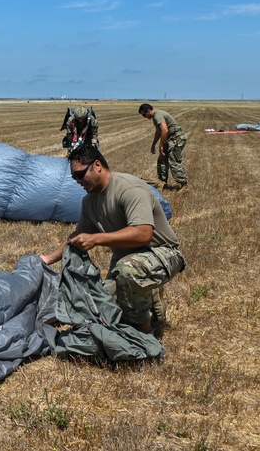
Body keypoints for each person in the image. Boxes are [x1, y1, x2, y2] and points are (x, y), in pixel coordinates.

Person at [40, 145, 185, 336]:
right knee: (99, 304)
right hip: (127, 262)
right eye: (74, 177)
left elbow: (143, 234)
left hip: (162, 253)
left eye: (80, 174)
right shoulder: (89, 202)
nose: (78, 181)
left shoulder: (129, 189)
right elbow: (76, 236)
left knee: (128, 273)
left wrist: (97, 239)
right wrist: (46, 259)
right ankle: (150, 298)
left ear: (97, 165)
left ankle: (140, 334)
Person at [138, 103, 188, 189]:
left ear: (149, 111)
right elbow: (158, 132)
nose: (144, 117)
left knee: (174, 161)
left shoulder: (158, 115)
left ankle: (184, 185)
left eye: (144, 114)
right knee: (162, 159)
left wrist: (160, 146)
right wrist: (153, 144)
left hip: (176, 138)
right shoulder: (155, 117)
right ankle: (162, 182)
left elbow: (164, 130)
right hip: (171, 139)